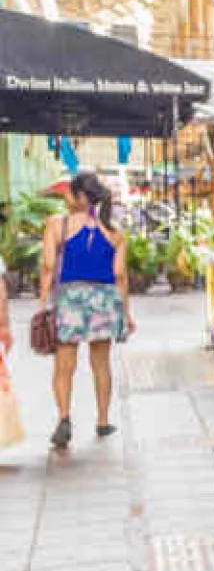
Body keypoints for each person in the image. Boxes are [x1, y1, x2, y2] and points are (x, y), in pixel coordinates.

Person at [39, 173, 133, 449]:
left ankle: (64, 418)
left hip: (70, 299)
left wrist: (42, 304)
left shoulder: (57, 225)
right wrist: (126, 314)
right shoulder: (115, 232)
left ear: (80, 197)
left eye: (69, 193)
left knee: (64, 365)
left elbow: (47, 268)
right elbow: (120, 276)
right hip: (104, 300)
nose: (65, 198)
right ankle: (103, 421)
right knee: (101, 363)